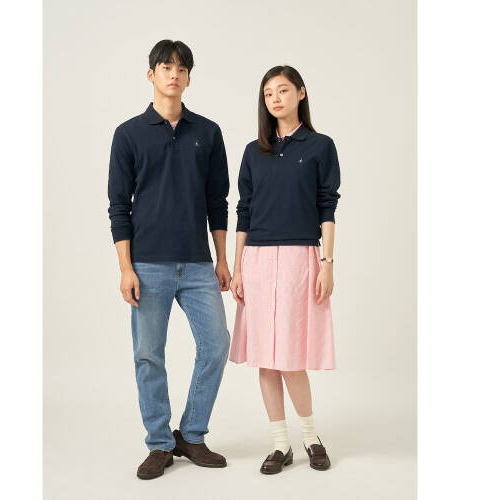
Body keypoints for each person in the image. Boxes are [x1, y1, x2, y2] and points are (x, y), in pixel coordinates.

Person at [107, 39, 231, 480]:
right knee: (148, 354)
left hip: (198, 263)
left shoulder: (208, 133)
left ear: (189, 78)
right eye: (165, 67)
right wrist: (126, 268)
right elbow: (118, 206)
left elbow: (218, 202)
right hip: (147, 265)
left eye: (181, 68)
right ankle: (159, 443)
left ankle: (191, 434)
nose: (173, 74)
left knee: (216, 345)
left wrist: (221, 259)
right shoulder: (128, 134)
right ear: (151, 75)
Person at [229, 65, 341, 474]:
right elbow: (244, 211)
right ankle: (280, 444)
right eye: (268, 94)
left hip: (299, 258)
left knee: (292, 357)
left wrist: (327, 262)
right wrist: (238, 268)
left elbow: (327, 206)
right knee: (266, 358)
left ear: (300, 93)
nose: (275, 99)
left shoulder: (320, 146)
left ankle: (310, 437)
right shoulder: (252, 151)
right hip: (257, 260)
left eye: (282, 90)